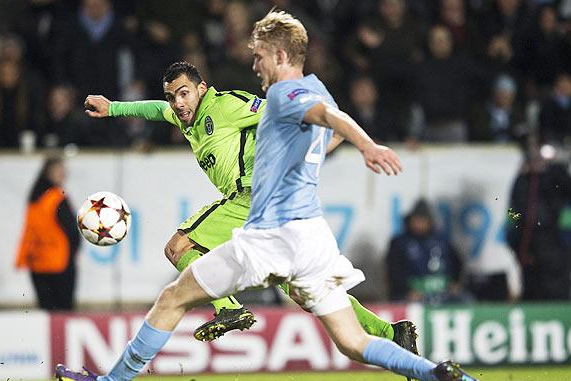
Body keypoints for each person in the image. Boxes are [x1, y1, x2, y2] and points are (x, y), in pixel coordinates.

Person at [56, 10, 493, 381]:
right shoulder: (310, 89)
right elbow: (327, 118)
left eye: (259, 57)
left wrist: (366, 144)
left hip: (269, 235)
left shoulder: (280, 96)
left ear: (280, 54)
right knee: (353, 342)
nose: (254, 66)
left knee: (172, 294)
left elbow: (327, 117)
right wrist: (116, 108)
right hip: (311, 236)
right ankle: (440, 374)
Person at [82, 61, 418, 356]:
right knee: (310, 294)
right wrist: (113, 108)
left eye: (183, 93)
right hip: (276, 212)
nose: (177, 103)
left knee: (179, 246)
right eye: (172, 96)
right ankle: (393, 333)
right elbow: (155, 110)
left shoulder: (226, 105)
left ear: (201, 88)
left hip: (252, 198)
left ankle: (228, 309)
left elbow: (279, 112)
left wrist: (326, 133)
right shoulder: (185, 116)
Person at [506, 139, 571, 301]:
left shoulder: (558, 175)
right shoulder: (524, 181)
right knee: (536, 290)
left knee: (560, 289)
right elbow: (512, 212)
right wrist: (519, 238)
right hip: (533, 247)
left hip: (561, 244)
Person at [15, 156, 80, 310]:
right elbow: (72, 230)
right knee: (63, 312)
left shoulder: (34, 197)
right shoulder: (56, 197)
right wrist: (73, 254)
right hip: (59, 262)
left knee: (47, 311)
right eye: (59, 171)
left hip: (37, 261)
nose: (63, 174)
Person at [386, 199, 468, 305]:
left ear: (429, 221)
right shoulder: (400, 243)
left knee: (465, 300)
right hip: (411, 295)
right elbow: (393, 271)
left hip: (442, 293)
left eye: (422, 220)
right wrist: (407, 290)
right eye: (416, 220)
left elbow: (457, 262)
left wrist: (455, 283)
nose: (419, 224)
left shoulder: (441, 240)